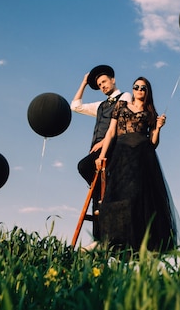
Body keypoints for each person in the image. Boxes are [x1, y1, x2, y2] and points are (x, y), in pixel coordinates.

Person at [95, 76, 180, 252]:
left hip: (142, 156)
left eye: (143, 88)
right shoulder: (121, 106)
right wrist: (102, 155)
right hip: (121, 153)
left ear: (147, 91)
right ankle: (109, 241)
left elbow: (153, 144)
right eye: (136, 87)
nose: (138, 90)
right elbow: (111, 131)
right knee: (117, 193)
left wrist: (158, 128)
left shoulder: (151, 113)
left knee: (139, 197)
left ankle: (138, 246)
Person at [71, 65, 131, 240]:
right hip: (99, 153)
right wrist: (84, 83)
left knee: (83, 166)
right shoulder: (100, 105)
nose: (103, 86)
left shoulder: (125, 96)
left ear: (113, 79)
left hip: (114, 147)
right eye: (99, 85)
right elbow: (75, 106)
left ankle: (110, 196)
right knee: (97, 196)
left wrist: (105, 141)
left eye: (104, 81)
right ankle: (99, 239)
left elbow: (124, 122)